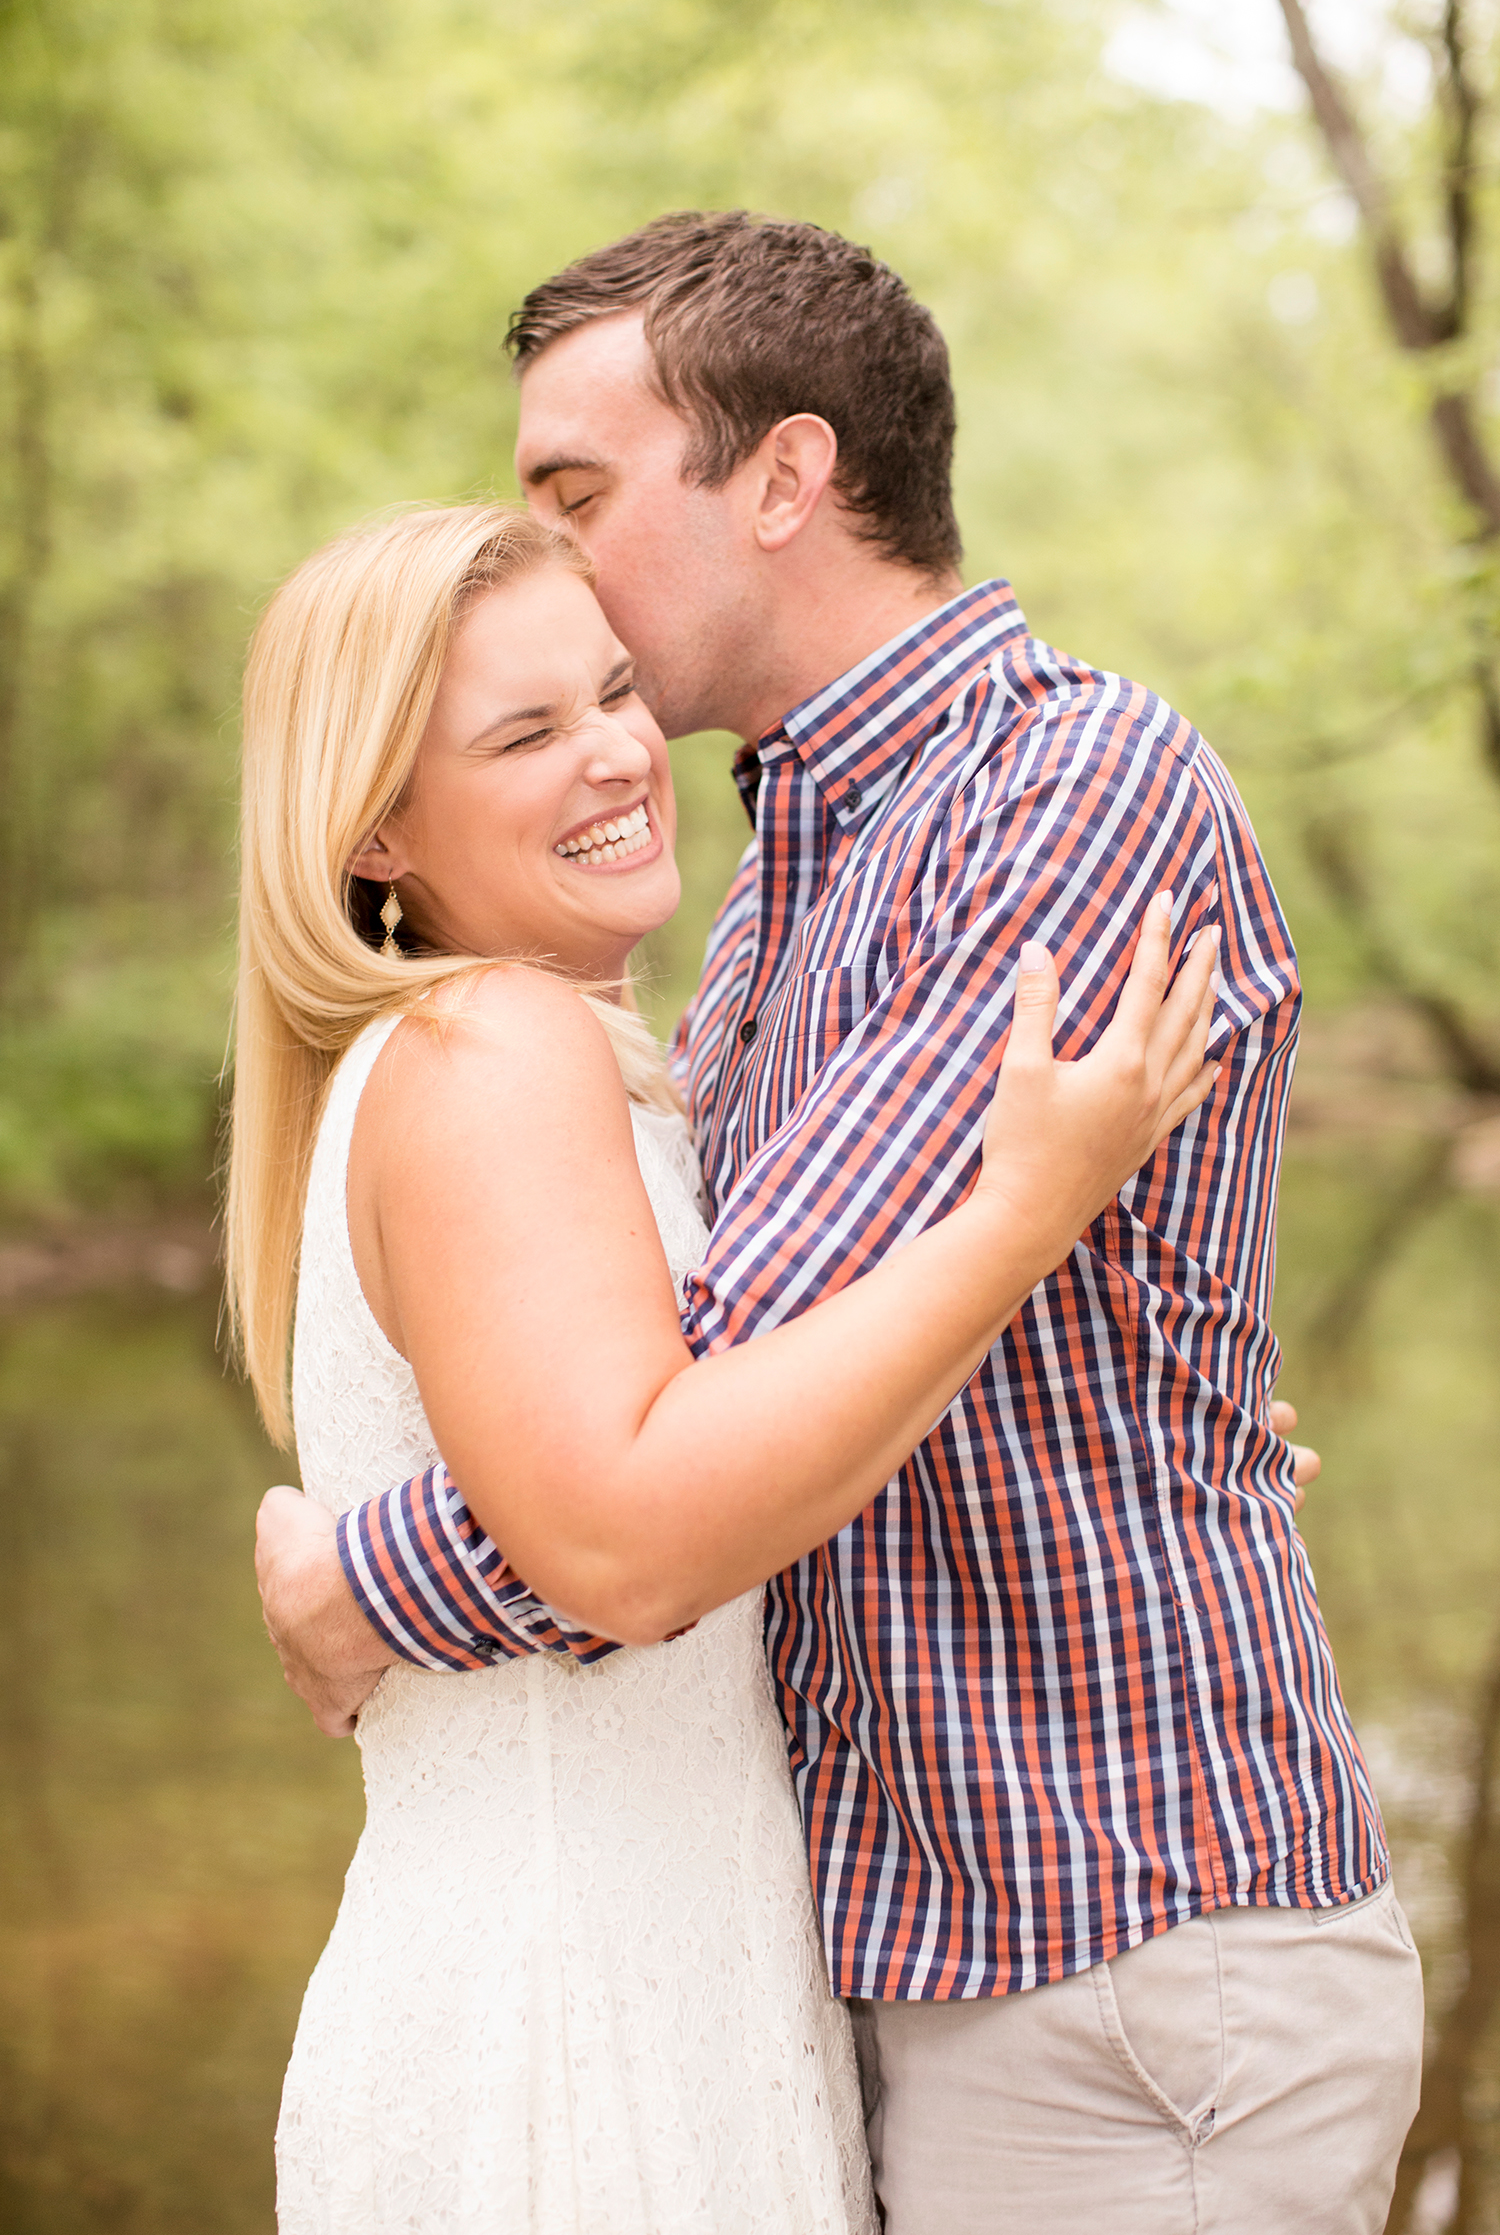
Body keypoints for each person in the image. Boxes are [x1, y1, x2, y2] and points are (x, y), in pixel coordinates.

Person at [256, 214, 1424, 2233]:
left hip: (1116, 1947)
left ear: (785, 478)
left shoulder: (1063, 791)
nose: (546, 546)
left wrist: (374, 1574)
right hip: (908, 1945)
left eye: (577, 491)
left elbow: (671, 1434)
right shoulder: (763, 912)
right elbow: (707, 1377)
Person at [233, 498, 1219, 2232]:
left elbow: (734, 1413)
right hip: (581, 1999)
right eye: (527, 731)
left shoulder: (546, 1048)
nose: (619, 753)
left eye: (616, 691)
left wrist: (1153, 1416)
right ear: (378, 827)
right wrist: (1027, 1208)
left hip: (662, 1945)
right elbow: (622, 1541)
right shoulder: (495, 1045)